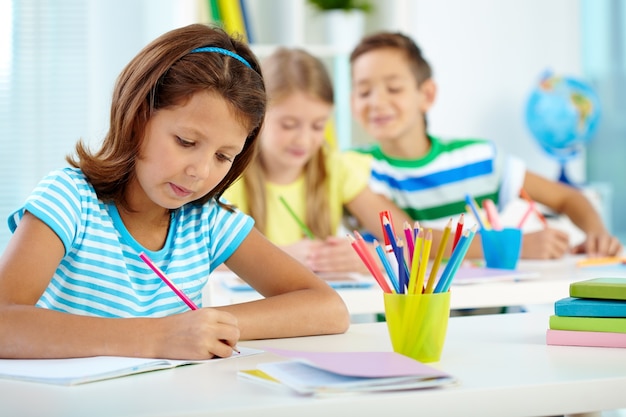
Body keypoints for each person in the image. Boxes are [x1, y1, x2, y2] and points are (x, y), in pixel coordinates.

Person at [0, 24, 350, 360]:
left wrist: (205, 327)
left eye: (222, 156)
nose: (199, 171)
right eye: (186, 142)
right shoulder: (69, 199)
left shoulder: (207, 220)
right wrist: (158, 336)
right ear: (138, 117)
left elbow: (328, 308)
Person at [347, 31, 622, 260]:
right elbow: (407, 239)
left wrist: (596, 233)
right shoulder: (352, 168)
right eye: (363, 91)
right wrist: (512, 248)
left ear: (427, 94)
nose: (377, 102)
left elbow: (568, 197)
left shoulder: (479, 158)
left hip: (492, 317)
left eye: (394, 88)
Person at [223, 47, 411, 273]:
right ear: (257, 117)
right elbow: (205, 261)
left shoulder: (336, 169)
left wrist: (369, 256)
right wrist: (281, 257)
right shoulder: (230, 175)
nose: (303, 140)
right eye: (289, 125)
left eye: (318, 125)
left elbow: (409, 245)